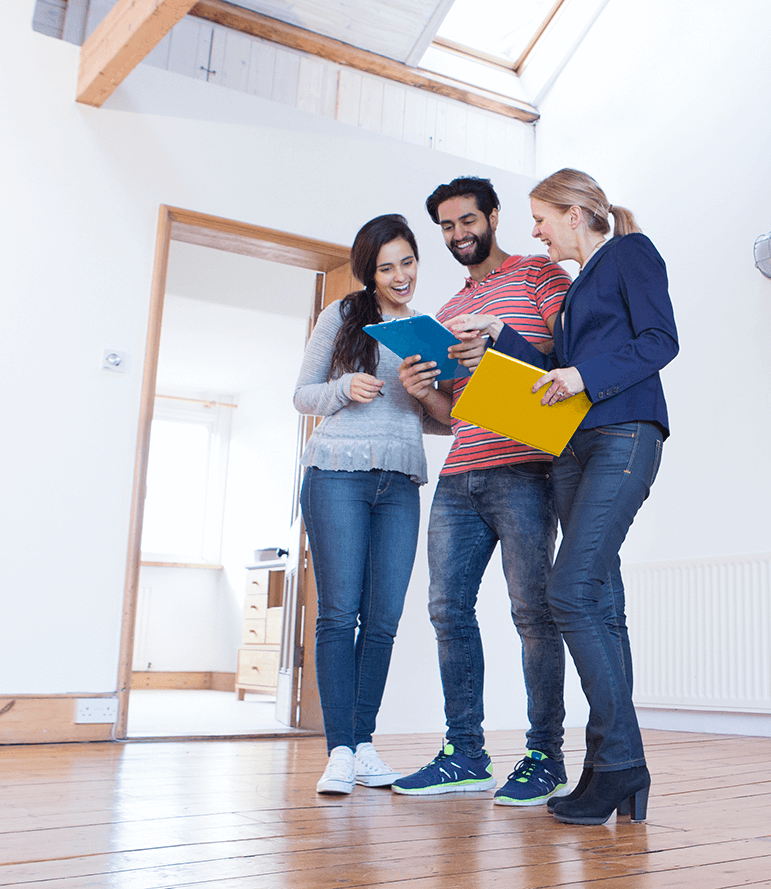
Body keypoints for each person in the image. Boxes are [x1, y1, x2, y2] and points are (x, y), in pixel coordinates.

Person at [451, 168, 679, 825]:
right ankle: (612, 767)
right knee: (598, 599)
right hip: (574, 448)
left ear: (574, 213)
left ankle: (619, 763)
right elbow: (556, 372)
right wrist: (502, 338)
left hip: (624, 435)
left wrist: (581, 373)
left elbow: (659, 340)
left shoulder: (632, 254)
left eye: (540, 218)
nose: (534, 231)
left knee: (568, 591)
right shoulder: (578, 291)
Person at [390, 177, 574, 806]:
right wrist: (422, 392)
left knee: (532, 613)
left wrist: (499, 339)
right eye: (446, 227)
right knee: (447, 611)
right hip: (460, 474)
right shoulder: (443, 315)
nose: (458, 235)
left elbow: (568, 355)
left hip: (525, 468)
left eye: (467, 220)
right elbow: (453, 414)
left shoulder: (538, 274)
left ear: (493, 216)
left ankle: (545, 756)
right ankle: (465, 754)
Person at [293, 214, 452, 795]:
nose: (400, 275)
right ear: (369, 272)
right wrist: (344, 390)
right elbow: (302, 394)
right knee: (339, 614)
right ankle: (339, 750)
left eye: (407, 262)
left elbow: (445, 422)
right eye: (386, 267)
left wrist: (424, 393)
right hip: (336, 473)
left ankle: (362, 744)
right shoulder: (343, 316)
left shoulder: (429, 330)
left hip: (400, 482)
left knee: (382, 621)